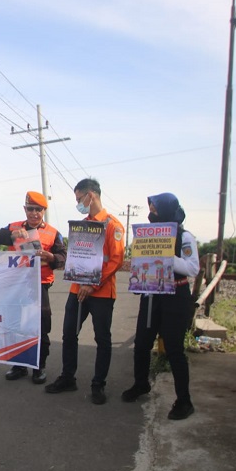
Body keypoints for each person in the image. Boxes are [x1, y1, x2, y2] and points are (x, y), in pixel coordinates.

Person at [45, 178, 125, 405]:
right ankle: (68, 377)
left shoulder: (113, 226)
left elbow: (116, 261)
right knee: (69, 333)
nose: (78, 203)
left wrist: (93, 285)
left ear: (92, 195)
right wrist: (81, 284)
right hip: (77, 290)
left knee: (103, 339)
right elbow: (76, 258)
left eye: (80, 199)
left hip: (101, 293)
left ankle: (98, 385)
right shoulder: (82, 225)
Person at [121, 193, 200, 420]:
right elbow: (142, 262)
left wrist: (165, 255)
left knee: (174, 349)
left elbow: (192, 268)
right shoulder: (147, 235)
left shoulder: (185, 236)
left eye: (155, 209)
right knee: (142, 344)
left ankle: (184, 401)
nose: (152, 213)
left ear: (167, 210)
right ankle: (140, 384)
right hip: (151, 294)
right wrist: (139, 278)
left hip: (175, 295)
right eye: (151, 209)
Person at [0, 191, 66, 384]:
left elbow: (63, 258)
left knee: (40, 328)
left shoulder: (53, 233)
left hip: (39, 287)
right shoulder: (14, 227)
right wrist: (11, 235)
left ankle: (39, 367)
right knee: (16, 326)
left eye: (38, 210)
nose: (34, 213)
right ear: (25, 209)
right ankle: (19, 365)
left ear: (43, 211)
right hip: (15, 286)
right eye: (30, 209)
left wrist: (51, 258)